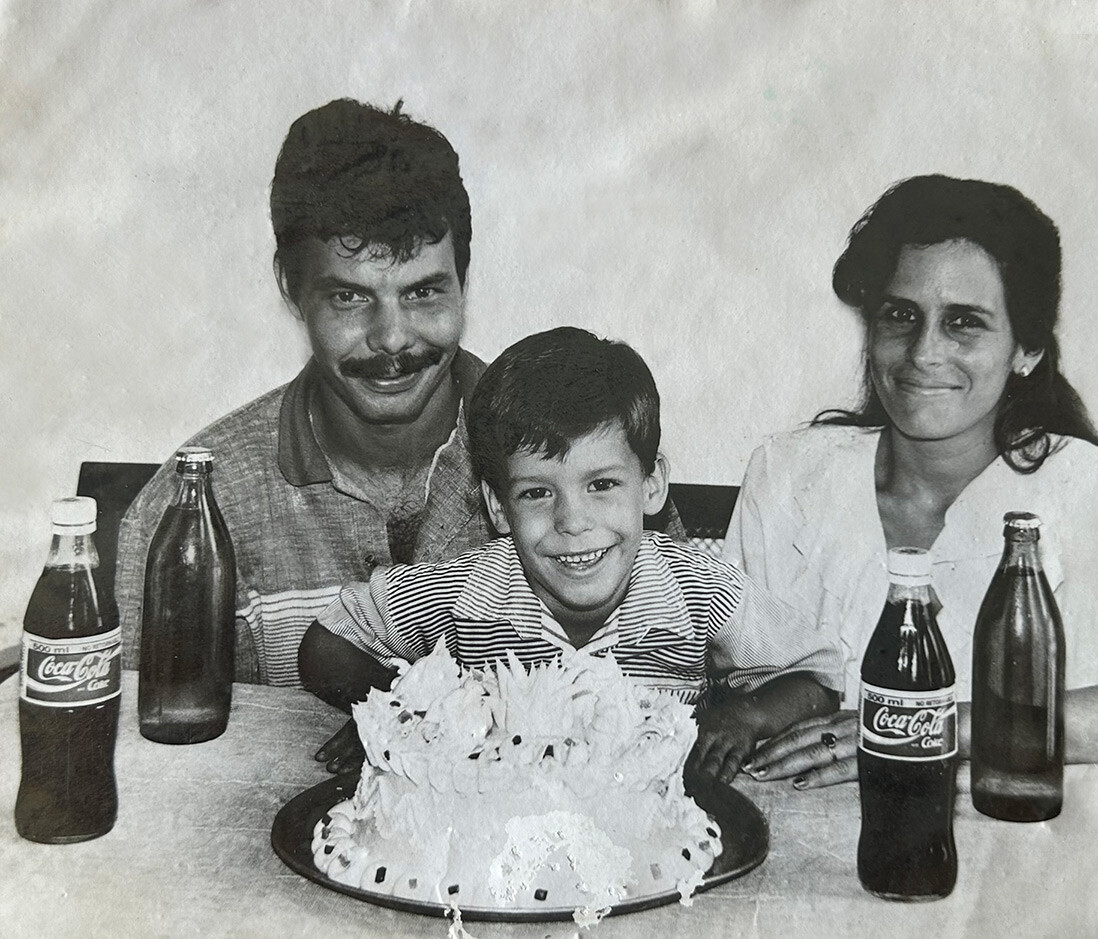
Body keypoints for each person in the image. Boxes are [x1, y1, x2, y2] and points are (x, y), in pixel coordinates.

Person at [727, 175, 1098, 788]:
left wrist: (939, 727)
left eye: (964, 322)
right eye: (901, 315)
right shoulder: (788, 476)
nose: (924, 352)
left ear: (1024, 349)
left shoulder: (1097, 490)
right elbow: (724, 676)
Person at [299, 326, 844, 781]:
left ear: (652, 485)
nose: (572, 522)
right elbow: (325, 642)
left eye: (602, 484)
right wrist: (394, 708)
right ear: (497, 507)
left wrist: (747, 716)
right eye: (537, 492)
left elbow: (817, 676)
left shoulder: (698, 590)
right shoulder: (467, 593)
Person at [115, 98, 492, 689]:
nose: (392, 337)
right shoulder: (198, 512)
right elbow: (161, 762)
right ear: (293, 291)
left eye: (423, 294)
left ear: (463, 283)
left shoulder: (580, 457)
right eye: (349, 297)